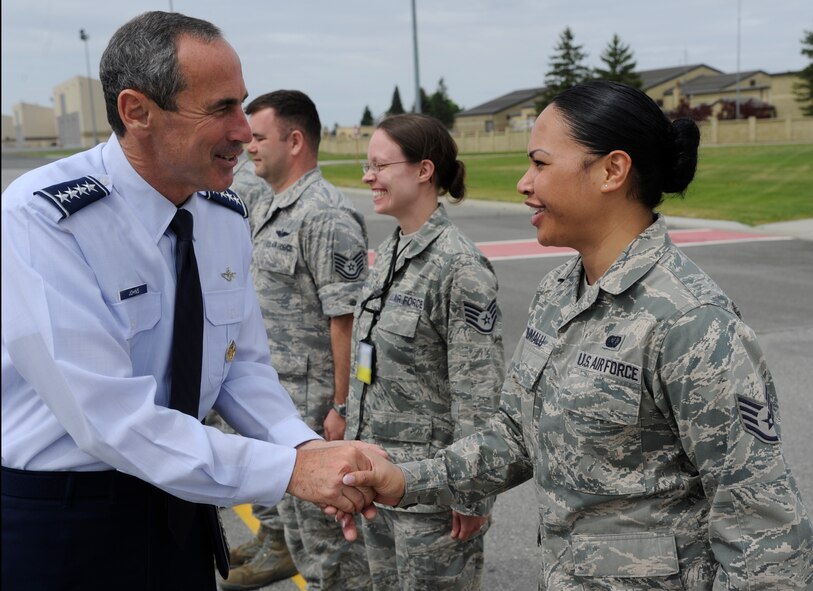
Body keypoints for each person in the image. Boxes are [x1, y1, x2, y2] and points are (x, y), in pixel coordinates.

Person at [343, 81, 813, 589]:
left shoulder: (690, 321)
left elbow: (762, 531)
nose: (524, 183)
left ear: (612, 170)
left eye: (540, 164)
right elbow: (514, 437)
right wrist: (407, 480)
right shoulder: (558, 292)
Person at [0, 11, 379, 591]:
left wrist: (304, 448)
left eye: (243, 106)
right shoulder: (46, 217)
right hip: (69, 517)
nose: (243, 132)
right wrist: (291, 469)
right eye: (221, 108)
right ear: (136, 112)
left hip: (187, 504)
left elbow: (238, 368)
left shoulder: (221, 215)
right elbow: (109, 419)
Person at [345, 113, 505, 590]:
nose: (367, 177)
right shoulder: (392, 251)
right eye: (367, 165)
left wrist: (473, 494)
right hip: (377, 476)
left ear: (423, 170)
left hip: (433, 494)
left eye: (379, 165)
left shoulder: (460, 267)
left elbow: (478, 392)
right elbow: (370, 365)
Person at [220, 90, 372, 591]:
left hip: (312, 407)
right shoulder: (273, 207)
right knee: (302, 540)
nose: (248, 145)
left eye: (259, 136)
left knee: (330, 547)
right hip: (279, 402)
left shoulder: (324, 214)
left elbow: (346, 319)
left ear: (295, 140)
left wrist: (342, 406)